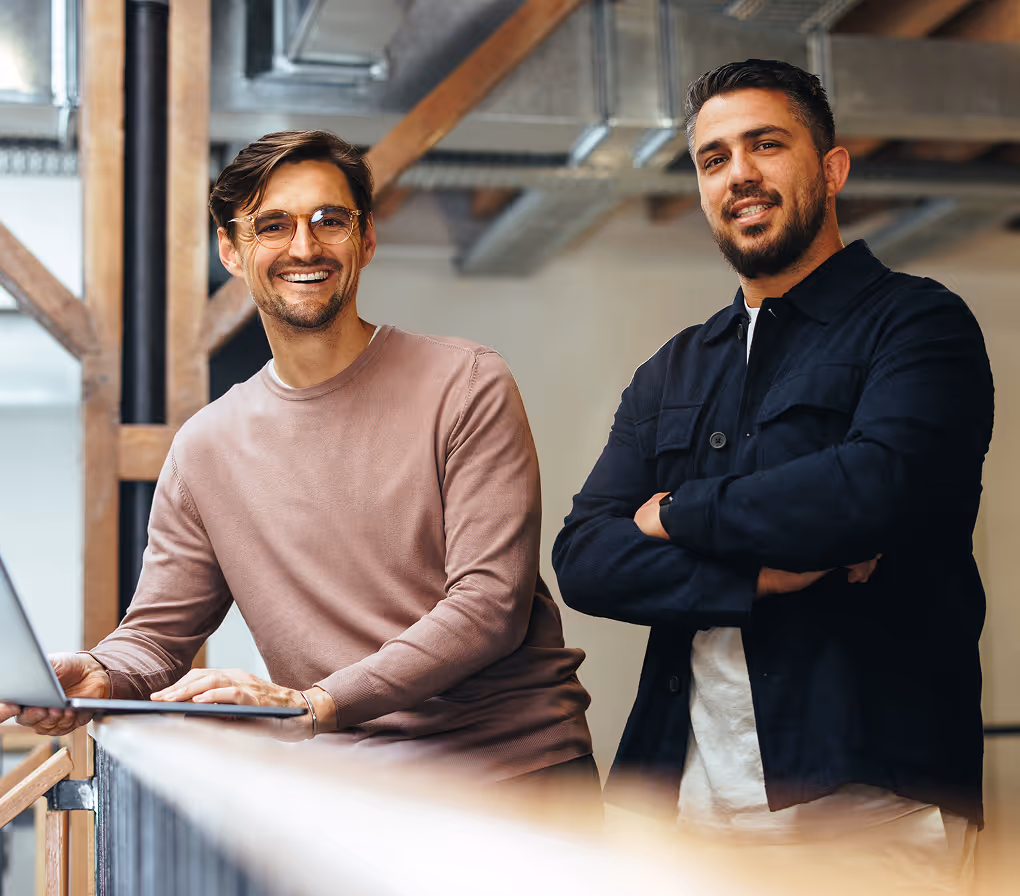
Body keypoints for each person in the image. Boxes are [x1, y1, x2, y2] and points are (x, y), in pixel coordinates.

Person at [2, 130, 596, 793]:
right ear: (231, 250)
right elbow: (157, 637)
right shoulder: (204, 448)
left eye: (329, 221)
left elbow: (489, 607)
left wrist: (316, 704)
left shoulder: (467, 382)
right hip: (346, 788)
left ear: (366, 239)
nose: (304, 247)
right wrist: (97, 673)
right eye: (272, 226)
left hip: (513, 771)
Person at [552, 59, 992, 882]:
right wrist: (755, 579)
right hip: (679, 807)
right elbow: (582, 558)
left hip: (869, 806)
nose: (739, 174)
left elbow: (868, 491)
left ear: (831, 169)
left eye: (765, 144)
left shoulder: (919, 325)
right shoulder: (672, 369)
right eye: (713, 159)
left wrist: (675, 510)